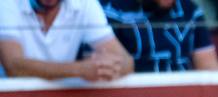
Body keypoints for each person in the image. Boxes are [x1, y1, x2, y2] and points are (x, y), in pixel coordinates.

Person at [0, 0, 132, 80]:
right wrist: (80, 70)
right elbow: (13, 66)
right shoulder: (7, 3)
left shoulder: (84, 3)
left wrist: (104, 68)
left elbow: (127, 62)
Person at [104, 0, 218, 71]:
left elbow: (208, 65)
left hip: (184, 95)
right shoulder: (111, 10)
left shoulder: (189, 9)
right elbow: (106, 68)